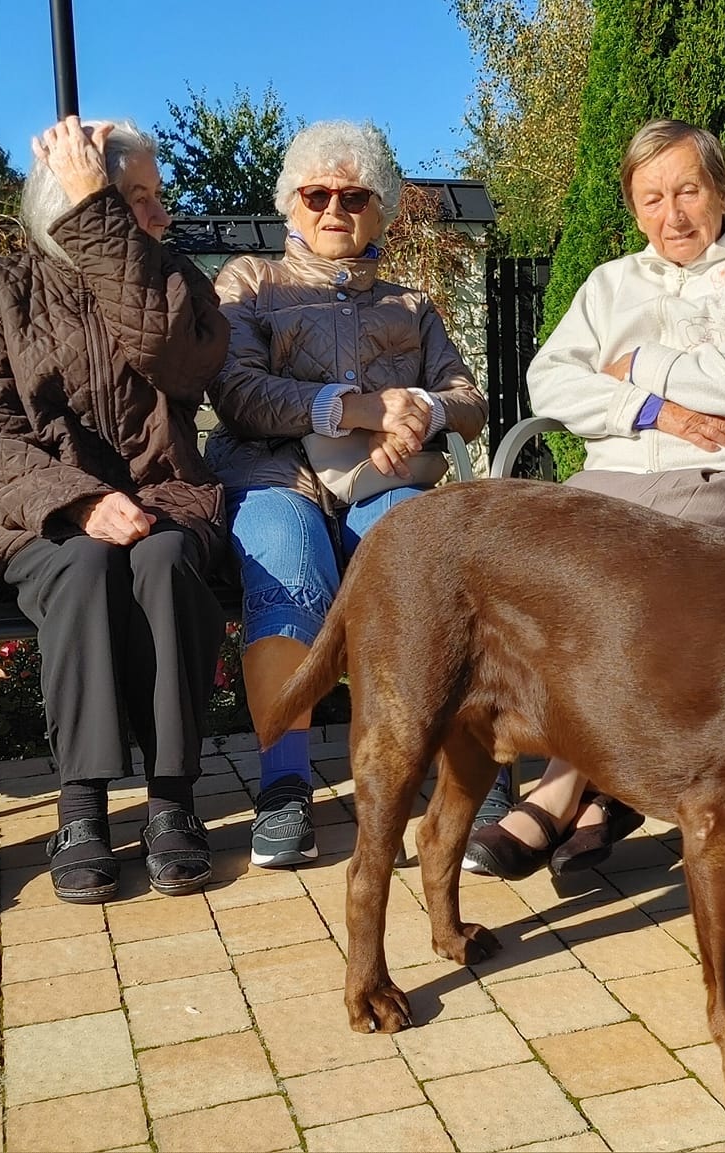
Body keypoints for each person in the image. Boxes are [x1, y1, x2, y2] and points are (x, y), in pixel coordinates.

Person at [463, 119, 725, 882]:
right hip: (610, 477)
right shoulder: (611, 283)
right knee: (536, 579)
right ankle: (606, 787)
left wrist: (637, 362)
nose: (672, 215)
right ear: (632, 206)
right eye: (652, 198)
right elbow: (550, 381)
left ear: (720, 189)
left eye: (687, 190)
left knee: (635, 591)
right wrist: (650, 410)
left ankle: (560, 788)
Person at [0, 118, 229, 905]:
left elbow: (179, 358)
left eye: (153, 198)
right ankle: (82, 806)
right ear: (68, 206)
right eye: (133, 199)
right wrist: (78, 499)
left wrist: (106, 229)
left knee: (164, 558)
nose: (159, 216)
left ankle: (172, 799)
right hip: (34, 513)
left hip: (165, 492)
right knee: (84, 561)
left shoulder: (174, 280)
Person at [208, 119, 486, 869]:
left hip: (381, 478)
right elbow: (237, 390)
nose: (334, 207)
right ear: (290, 205)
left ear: (383, 208)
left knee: (411, 576)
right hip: (274, 470)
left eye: (354, 195)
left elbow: (466, 397)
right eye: (317, 193)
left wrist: (418, 413)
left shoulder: (412, 303)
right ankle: (283, 786)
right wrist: (359, 408)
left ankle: (398, 783)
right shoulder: (248, 283)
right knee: (288, 566)